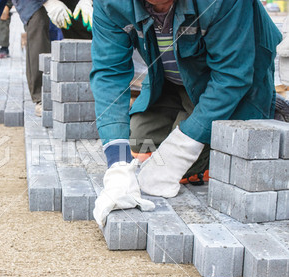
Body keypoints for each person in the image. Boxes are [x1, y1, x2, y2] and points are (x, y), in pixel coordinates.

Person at [90, 0, 282, 227]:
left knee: (176, 167)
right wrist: (118, 165)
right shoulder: (110, 3)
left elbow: (232, 75)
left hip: (234, 79)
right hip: (170, 79)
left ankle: (269, 110)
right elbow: (110, 75)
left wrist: (182, 148)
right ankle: (186, 113)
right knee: (139, 149)